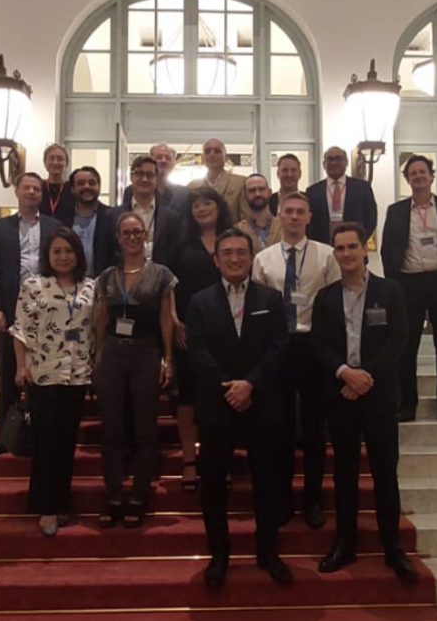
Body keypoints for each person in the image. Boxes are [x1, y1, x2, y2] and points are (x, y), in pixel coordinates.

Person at [311, 222, 418, 582]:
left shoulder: (390, 291)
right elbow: (318, 344)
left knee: (385, 473)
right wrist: (345, 373)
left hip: (378, 395)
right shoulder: (325, 297)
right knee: (344, 474)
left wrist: (365, 377)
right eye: (340, 248)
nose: (346, 254)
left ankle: (392, 547)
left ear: (364, 249)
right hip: (341, 395)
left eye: (352, 246)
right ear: (334, 253)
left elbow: (398, 340)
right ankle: (345, 543)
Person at [186, 227, 291, 588]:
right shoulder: (199, 302)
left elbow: (279, 346)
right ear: (216, 260)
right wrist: (230, 387)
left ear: (251, 258)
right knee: (213, 483)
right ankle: (219, 553)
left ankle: (268, 551)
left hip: (261, 402)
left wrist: (250, 384)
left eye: (241, 252)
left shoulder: (271, 299)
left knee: (267, 481)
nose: (234, 258)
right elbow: (197, 351)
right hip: (218, 404)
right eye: (227, 253)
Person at [252, 191, 340, 528]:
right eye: (287, 211)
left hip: (313, 346)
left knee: (315, 427)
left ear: (309, 217)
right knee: (281, 426)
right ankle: (284, 498)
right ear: (279, 214)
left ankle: (313, 498)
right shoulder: (264, 259)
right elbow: (258, 309)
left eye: (300, 212)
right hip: (278, 346)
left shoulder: (326, 255)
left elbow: (334, 303)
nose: (293, 217)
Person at [93, 211, 176, 529]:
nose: (132, 237)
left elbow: (166, 319)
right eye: (126, 233)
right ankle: (114, 495)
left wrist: (168, 359)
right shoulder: (106, 277)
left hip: (146, 352)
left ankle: (139, 495)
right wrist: (97, 356)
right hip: (113, 352)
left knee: (145, 429)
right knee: (111, 428)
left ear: (145, 236)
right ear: (118, 238)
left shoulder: (162, 275)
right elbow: (102, 319)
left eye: (137, 232)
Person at [12, 227, 97, 536]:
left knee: (66, 443)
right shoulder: (34, 286)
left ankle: (62, 502)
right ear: (47, 255)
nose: (63, 257)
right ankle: (45, 506)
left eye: (69, 251)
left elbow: (95, 329)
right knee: (46, 443)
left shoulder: (91, 287)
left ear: (78, 254)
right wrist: (20, 367)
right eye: (57, 251)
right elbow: (20, 329)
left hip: (76, 375)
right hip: (43, 373)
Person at [380, 154, 437, 424]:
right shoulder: (396, 211)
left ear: (431, 176)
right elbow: (387, 249)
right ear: (407, 180)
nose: (418, 177)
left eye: (422, 172)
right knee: (407, 346)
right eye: (413, 173)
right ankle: (407, 404)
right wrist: (394, 284)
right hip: (409, 283)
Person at [0, 172, 60, 457]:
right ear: (17, 192)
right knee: (9, 373)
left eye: (36, 189)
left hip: (45, 308)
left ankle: (40, 435)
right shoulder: (0, 227)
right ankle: (4, 438)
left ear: (41, 194)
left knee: (42, 372)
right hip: (10, 308)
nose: (31, 192)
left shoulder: (54, 226)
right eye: (26, 188)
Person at [171, 186, 232, 491]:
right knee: (188, 395)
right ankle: (189, 461)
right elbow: (168, 285)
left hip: (225, 328)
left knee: (221, 391)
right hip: (187, 328)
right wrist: (174, 321)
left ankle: (219, 459)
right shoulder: (181, 243)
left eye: (208, 203)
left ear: (219, 207)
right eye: (196, 205)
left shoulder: (231, 240)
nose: (202, 208)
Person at [112, 155, 181, 268]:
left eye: (150, 175)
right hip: (123, 277)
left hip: (161, 278)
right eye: (139, 174)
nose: (144, 179)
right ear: (131, 177)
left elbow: (176, 257)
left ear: (156, 179)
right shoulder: (113, 215)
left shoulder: (171, 218)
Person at [306, 146, 377, 245]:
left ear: (346, 162)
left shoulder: (362, 188)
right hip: (322, 246)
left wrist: (359, 240)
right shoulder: (313, 191)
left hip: (354, 245)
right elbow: (308, 222)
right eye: (330, 159)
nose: (334, 163)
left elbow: (371, 218)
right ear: (324, 164)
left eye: (338, 159)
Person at [69, 165, 115, 276]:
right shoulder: (63, 219)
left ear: (99, 186)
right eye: (81, 183)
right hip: (70, 282)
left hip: (104, 282)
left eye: (92, 183)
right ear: (73, 189)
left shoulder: (113, 216)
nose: (87, 186)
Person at [189, 138, 247, 223]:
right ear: (202, 158)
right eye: (207, 151)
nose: (212, 154)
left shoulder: (241, 183)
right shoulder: (192, 186)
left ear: (226, 158)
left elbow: (246, 219)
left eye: (217, 151)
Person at [122, 142, 189, 216]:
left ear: (173, 164)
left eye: (168, 158)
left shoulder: (183, 193)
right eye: (159, 157)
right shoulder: (132, 190)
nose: (163, 161)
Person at [235, 173, 283, 250]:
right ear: (245, 194)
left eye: (261, 189)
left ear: (269, 192)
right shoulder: (238, 230)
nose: (257, 194)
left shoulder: (283, 227)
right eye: (252, 190)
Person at [39, 143, 76, 225]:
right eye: (51, 158)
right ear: (45, 163)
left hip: (66, 231)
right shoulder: (38, 187)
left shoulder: (72, 188)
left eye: (60, 159)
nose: (55, 162)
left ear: (66, 164)